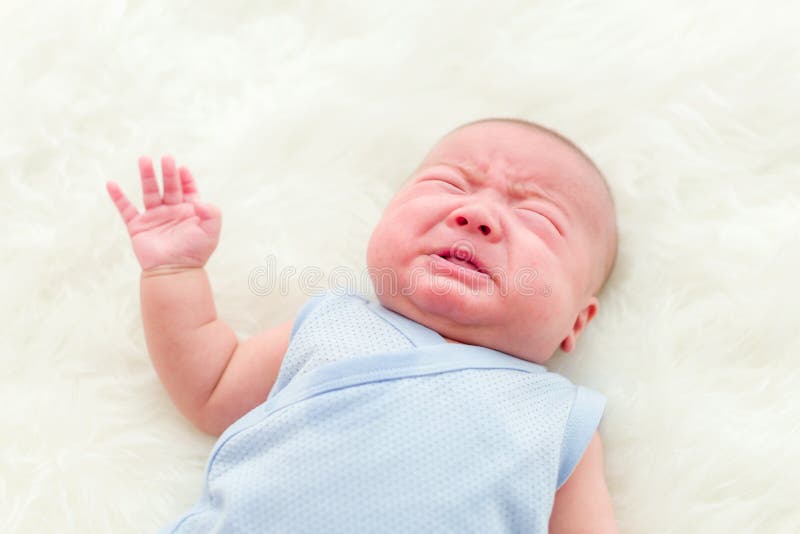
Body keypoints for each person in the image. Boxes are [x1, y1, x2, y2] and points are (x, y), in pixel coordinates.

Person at [106, 118, 619, 533]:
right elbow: (211, 383)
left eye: (538, 218)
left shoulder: (559, 419)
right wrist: (174, 273)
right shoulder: (334, 325)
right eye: (449, 184)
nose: (477, 215)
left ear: (577, 321)